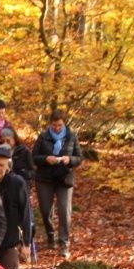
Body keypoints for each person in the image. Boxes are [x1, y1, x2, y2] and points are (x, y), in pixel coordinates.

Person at [31, 109, 84, 259]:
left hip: (64, 179)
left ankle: (64, 243)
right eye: (54, 125)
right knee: (46, 210)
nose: (57, 128)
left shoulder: (71, 136)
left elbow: (79, 157)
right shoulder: (43, 136)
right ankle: (50, 235)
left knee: (64, 211)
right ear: (50, 124)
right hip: (44, 179)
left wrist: (70, 160)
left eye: (60, 125)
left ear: (64, 123)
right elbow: (34, 156)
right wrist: (46, 158)